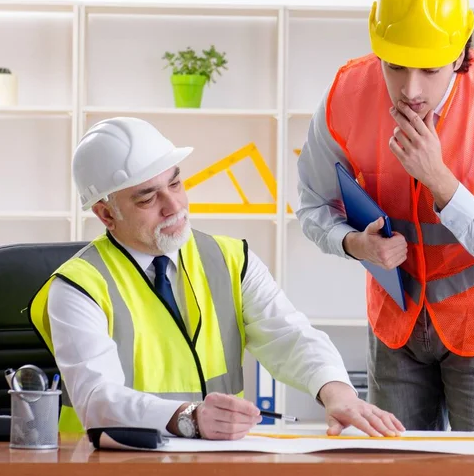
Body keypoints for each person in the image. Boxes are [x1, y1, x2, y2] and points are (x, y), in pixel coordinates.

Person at [295, 0, 474, 432]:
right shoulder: (344, 95)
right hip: (397, 318)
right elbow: (312, 204)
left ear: (460, 55)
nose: (410, 90)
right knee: (395, 461)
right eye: (394, 66)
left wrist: (441, 181)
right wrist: (353, 244)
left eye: (430, 69)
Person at [28, 117, 404, 440]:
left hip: (216, 459)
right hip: (114, 464)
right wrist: (189, 419)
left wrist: (336, 391)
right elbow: (97, 399)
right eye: (147, 198)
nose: (174, 206)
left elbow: (289, 335)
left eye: (175, 184)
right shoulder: (77, 286)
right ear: (106, 215)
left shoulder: (229, 259)